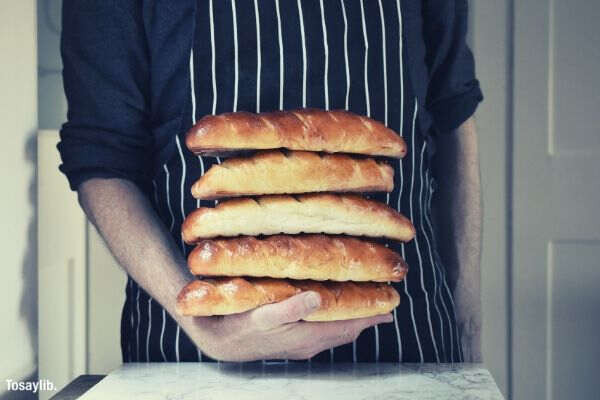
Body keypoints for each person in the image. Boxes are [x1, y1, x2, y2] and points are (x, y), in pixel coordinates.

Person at [58, 0, 482, 363]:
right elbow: (102, 156)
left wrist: (466, 316)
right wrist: (200, 320)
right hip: (196, 347)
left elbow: (453, 112)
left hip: (406, 332)